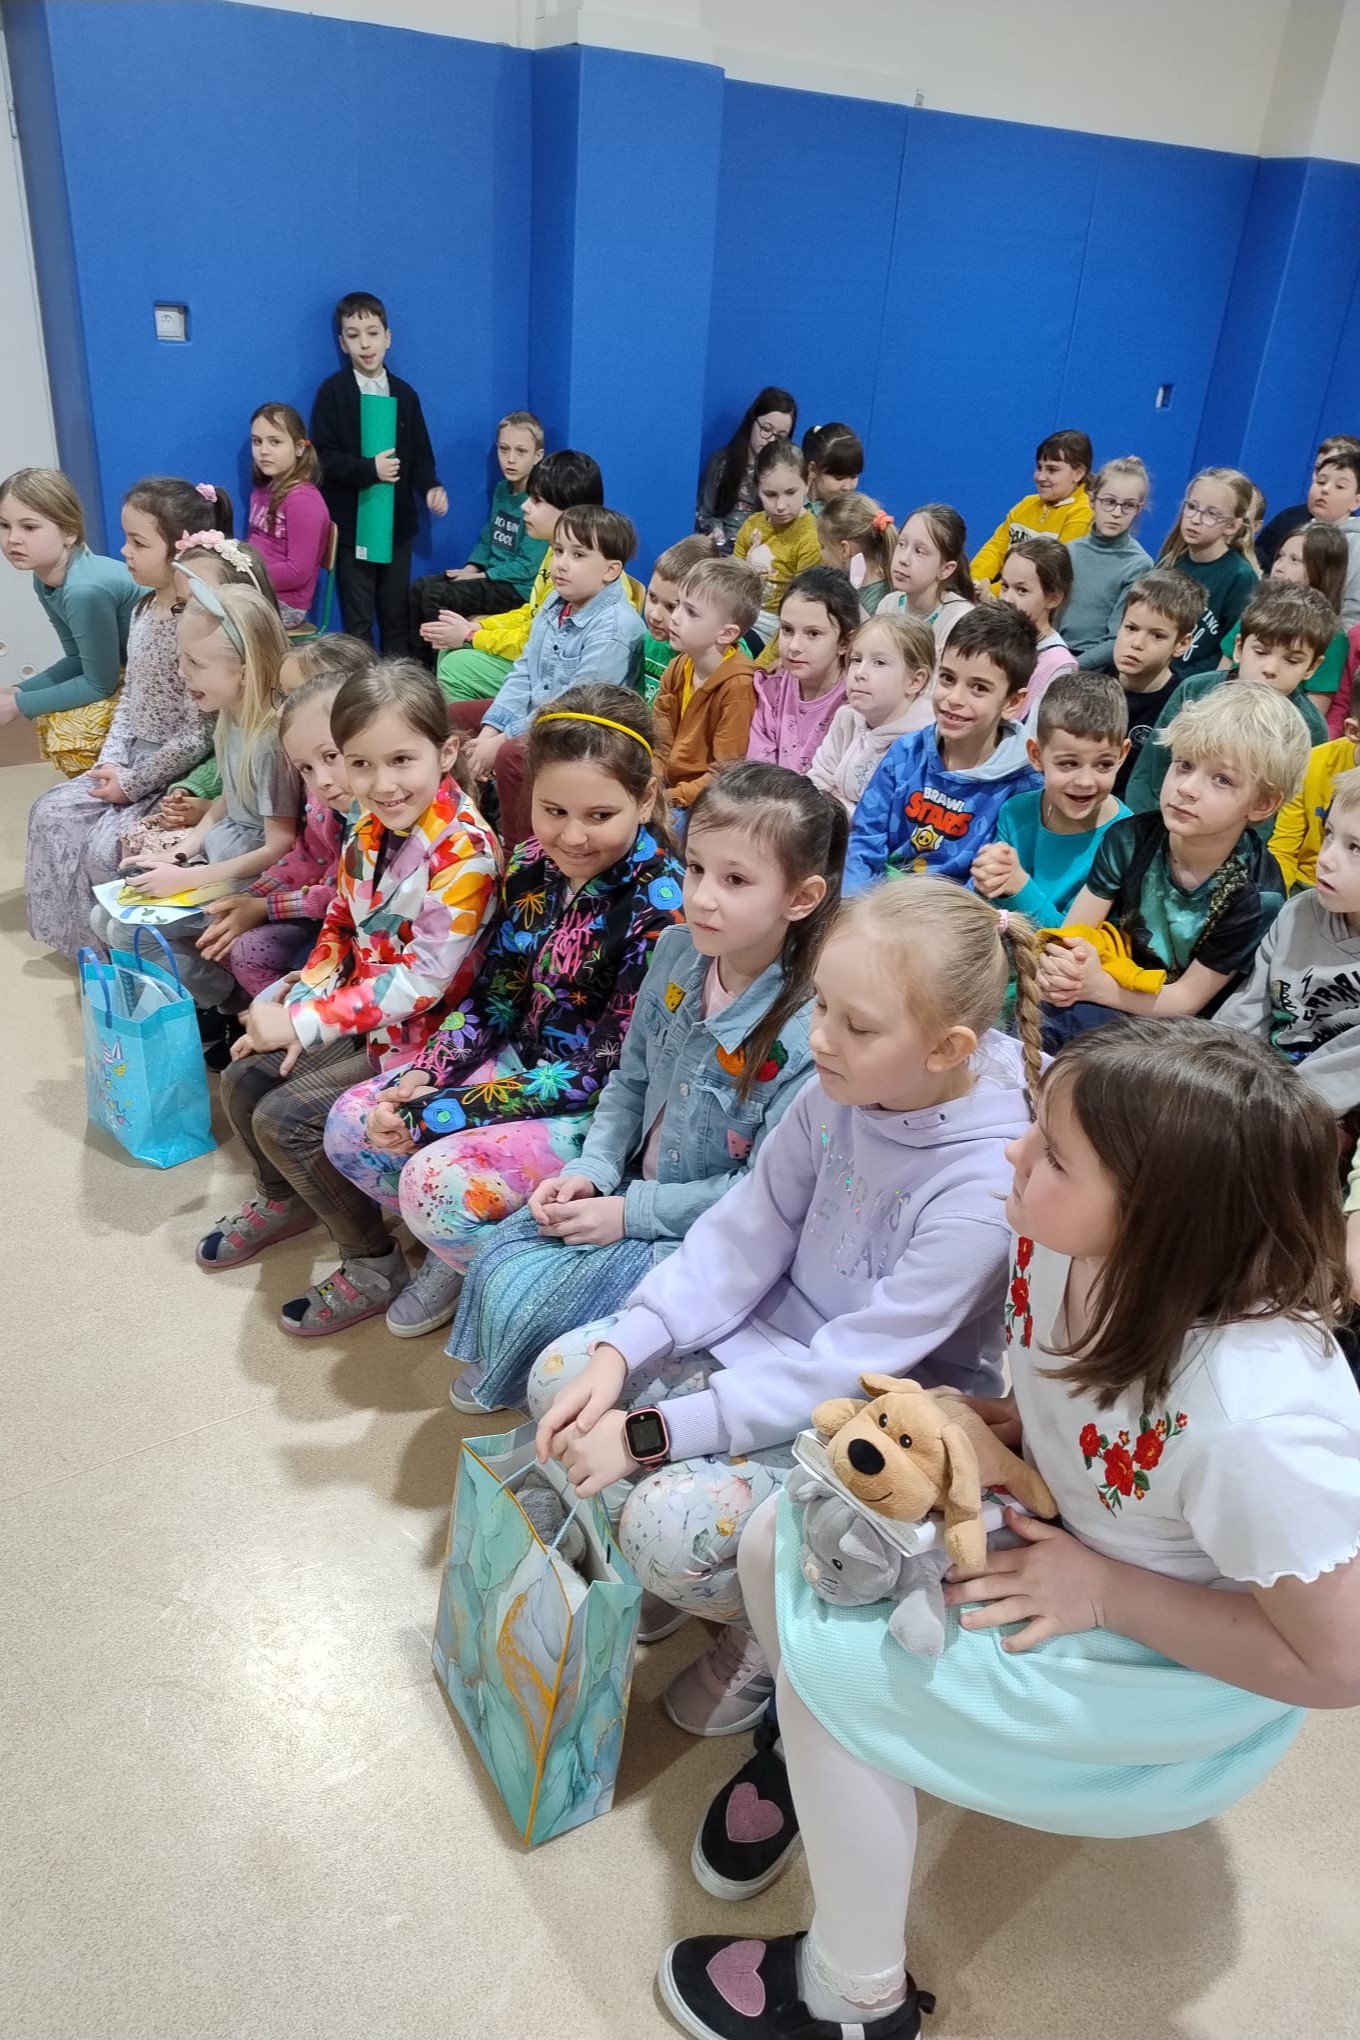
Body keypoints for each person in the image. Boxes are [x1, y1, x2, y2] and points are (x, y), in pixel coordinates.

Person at [664, 1020, 1360, 2040]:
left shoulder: (1257, 1419)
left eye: (1054, 1155)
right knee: (788, 1536)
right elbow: (1085, 1409)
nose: (1013, 1152)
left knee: (840, 1658)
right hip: (1066, 1544)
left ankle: (852, 1998)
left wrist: (1106, 1591)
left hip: (1162, 1656)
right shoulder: (1052, 1237)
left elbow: (1336, 1664)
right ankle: (830, 1750)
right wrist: (1016, 1433)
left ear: (1158, 1222)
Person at [533, 875, 1040, 1736]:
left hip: (874, 1413)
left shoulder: (986, 1180)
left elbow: (856, 1365)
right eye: (822, 1007)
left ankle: (767, 1636)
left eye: (856, 1025)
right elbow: (748, 1228)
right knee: (566, 1377)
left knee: (668, 1525)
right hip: (772, 1347)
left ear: (948, 1048)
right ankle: (684, 1570)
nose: (819, 1039)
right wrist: (628, 1347)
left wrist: (654, 1432)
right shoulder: (842, 1087)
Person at [444, 762, 841, 1417]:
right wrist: (592, 1170)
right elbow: (629, 1083)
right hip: (632, 1185)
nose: (703, 897)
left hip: (711, 1233)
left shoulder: (807, 1031)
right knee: (500, 1256)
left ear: (800, 898)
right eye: (696, 869)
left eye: (736, 880)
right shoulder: (679, 952)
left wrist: (629, 1214)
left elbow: (762, 1196)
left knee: (541, 1309)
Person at [319, 684, 684, 1338]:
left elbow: (602, 1070)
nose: (573, 835)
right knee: (352, 1124)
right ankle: (459, 1251)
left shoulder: (661, 906)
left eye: (600, 815)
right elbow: (495, 996)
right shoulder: (533, 864)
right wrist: (426, 1074)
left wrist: (441, 1112)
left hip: (595, 1109)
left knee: (432, 1182)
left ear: (646, 799)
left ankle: (532, 1301)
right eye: (553, 810)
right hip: (517, 1063)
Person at [199, 660, 499, 1308]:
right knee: (243, 1077)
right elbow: (340, 918)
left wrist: (306, 1022)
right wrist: (302, 996)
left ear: (445, 753)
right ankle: (286, 1198)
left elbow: (422, 983)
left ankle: (374, 1264)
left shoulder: (465, 852)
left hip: (435, 1041)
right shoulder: (368, 825)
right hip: (370, 1017)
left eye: (401, 760)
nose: (380, 783)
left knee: (286, 1119)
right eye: (361, 764)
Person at [24, 476, 233, 960]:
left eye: (138, 542)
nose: (124, 552)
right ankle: (85, 949)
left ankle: (122, 955)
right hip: (129, 761)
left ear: (180, 550)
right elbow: (130, 698)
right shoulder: (142, 610)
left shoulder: (192, 623)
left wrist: (132, 783)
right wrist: (111, 762)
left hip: (171, 772)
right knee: (51, 811)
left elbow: (199, 733)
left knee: (105, 848)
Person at [1037, 683, 1308, 1041]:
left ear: (1262, 804)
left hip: (1178, 1026)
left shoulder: (1257, 895)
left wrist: (1098, 988)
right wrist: (1063, 970)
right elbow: (1074, 933)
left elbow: (1187, 1000)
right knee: (1049, 1006)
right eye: (1184, 765)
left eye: (1222, 780)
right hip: (1109, 979)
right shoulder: (1129, 838)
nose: (1187, 788)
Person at [94, 582, 298, 1048]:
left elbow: (279, 844)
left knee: (127, 931)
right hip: (221, 859)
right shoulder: (231, 717)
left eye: (195, 663)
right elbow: (229, 797)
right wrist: (181, 855)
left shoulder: (269, 740)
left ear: (244, 671)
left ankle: (227, 1001)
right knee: (102, 919)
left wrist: (187, 879)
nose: (181, 672)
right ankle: (212, 1003)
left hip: (255, 876)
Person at [450, 505, 646, 850]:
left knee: (511, 755)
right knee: (454, 719)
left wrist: (500, 742)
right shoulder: (556, 600)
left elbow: (572, 708)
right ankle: (469, 824)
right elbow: (525, 671)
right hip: (542, 714)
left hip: (583, 729)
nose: (561, 564)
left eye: (578, 555)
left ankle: (521, 854)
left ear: (610, 570)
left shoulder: (615, 629)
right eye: (558, 551)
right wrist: (491, 730)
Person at [197, 636, 373, 998]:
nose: (280, 712)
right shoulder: (323, 785)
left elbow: (344, 893)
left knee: (257, 951)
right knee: (226, 927)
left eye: (296, 697)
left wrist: (264, 906)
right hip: (328, 908)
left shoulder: (375, 806)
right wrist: (253, 896)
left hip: (358, 928)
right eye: (283, 696)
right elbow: (307, 854)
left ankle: (285, 1019)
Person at [845, 604, 1041, 892]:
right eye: (948, 678)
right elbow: (865, 839)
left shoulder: (1024, 787)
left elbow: (989, 885)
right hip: (877, 900)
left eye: (979, 688)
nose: (954, 698)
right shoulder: (906, 752)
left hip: (954, 912)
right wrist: (855, 905)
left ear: (1013, 702)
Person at [310, 290, 447, 654]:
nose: (365, 344)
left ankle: (396, 685)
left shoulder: (405, 394)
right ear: (342, 343)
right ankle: (363, 686)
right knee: (358, 621)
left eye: (373, 333)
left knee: (395, 616)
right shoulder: (333, 392)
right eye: (353, 335)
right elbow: (323, 458)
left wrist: (430, 487)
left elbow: (420, 453)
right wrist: (369, 469)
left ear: (388, 337)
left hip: (396, 529)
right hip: (353, 528)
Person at [1124, 581, 1332, 816]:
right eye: (1260, 652)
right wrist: (1144, 824)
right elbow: (1150, 770)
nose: (1270, 669)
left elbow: (1289, 806)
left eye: (1292, 661)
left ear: (1312, 667)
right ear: (1240, 648)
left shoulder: (1310, 728)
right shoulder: (1195, 690)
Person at [1219, 765, 1360, 1109]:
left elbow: (1342, 1080)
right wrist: (1211, 1069)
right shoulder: (1300, 911)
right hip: (1257, 1080)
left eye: (1356, 848)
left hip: (1317, 1107)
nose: (1326, 859)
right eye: (1329, 834)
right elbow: (1246, 1012)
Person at [431, 448, 604, 702]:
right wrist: (478, 626)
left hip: (552, 677)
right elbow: (532, 613)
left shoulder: (576, 574)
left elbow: (537, 640)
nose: (524, 506)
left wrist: (472, 637)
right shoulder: (553, 552)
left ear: (569, 511)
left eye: (537, 500)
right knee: (448, 646)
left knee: (455, 667)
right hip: (534, 657)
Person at [0, 468, 138, 776]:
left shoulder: (83, 590)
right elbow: (78, 659)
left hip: (172, 680)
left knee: (71, 732)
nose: (12, 539)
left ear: (69, 532)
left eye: (29, 527)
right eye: (4, 525)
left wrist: (16, 706)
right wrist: (17, 691)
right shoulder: (45, 579)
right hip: (130, 672)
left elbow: (98, 683)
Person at [972, 670, 1130, 928]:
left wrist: (1019, 886)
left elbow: (1070, 938)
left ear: (1122, 755)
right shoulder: (1015, 811)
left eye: (1103, 765)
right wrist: (987, 878)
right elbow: (989, 907)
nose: (1085, 781)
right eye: (1069, 763)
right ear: (1036, 755)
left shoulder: (1124, 840)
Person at [409, 410, 545, 655]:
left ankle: (435, 667)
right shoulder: (502, 489)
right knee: (420, 587)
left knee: (436, 595)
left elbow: (527, 567)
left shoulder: (539, 500)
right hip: (490, 577)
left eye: (521, 451)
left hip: (517, 589)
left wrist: (480, 576)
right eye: (504, 449)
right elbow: (488, 537)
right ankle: (414, 664)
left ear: (537, 456)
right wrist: (471, 569)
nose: (510, 459)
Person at [652, 557, 762, 810]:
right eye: (678, 605)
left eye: (691, 612)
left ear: (727, 633)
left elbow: (724, 774)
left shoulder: (738, 687)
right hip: (668, 793)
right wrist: (649, 786)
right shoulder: (677, 667)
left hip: (706, 804)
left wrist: (667, 799)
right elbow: (661, 745)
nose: (675, 618)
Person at [808, 613, 935, 815]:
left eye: (879, 663)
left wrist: (840, 813)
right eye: (856, 660)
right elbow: (818, 783)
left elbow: (894, 816)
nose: (859, 673)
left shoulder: (923, 743)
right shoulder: (846, 719)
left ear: (915, 681)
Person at [1223, 518, 1349, 714]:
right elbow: (1220, 674)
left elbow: (1314, 710)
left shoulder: (1333, 638)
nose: (1279, 567)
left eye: (1294, 560)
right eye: (1280, 556)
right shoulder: (1257, 613)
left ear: (1323, 571)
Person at [746, 567, 858, 775]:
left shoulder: (857, 704)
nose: (794, 646)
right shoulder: (770, 692)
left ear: (844, 642)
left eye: (813, 634)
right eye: (787, 630)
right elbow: (759, 772)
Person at [1102, 569, 1204, 796]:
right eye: (1131, 628)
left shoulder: (1184, 710)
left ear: (1182, 644)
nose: (1137, 643)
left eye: (1157, 635)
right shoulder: (1092, 683)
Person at [1156, 467, 1258, 679]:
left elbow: (1230, 651)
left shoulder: (1240, 577)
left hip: (1192, 684)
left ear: (1232, 526)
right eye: (1192, 507)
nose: (1195, 519)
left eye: (1211, 514)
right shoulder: (1170, 561)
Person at [970, 429, 1093, 592]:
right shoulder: (1027, 504)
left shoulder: (1084, 513)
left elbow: (1049, 574)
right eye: (1039, 467)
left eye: (1052, 470)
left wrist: (992, 593)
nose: (1040, 477)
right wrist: (974, 582)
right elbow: (995, 549)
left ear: (1078, 473)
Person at [246, 403, 331, 625]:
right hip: (255, 589)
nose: (264, 451)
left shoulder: (303, 501)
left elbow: (297, 571)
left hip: (284, 603)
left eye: (275, 442)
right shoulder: (262, 490)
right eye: (257, 441)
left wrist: (247, 576)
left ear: (299, 447)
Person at [733, 439, 822, 649]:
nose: (781, 506)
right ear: (757, 489)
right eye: (770, 495)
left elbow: (801, 613)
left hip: (778, 628)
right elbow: (731, 587)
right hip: (741, 616)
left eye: (790, 493)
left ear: (808, 481)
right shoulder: (752, 525)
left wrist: (765, 662)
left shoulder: (812, 536)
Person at [1067, 456, 1154, 669]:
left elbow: (1119, 636)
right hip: (1055, 652)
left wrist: (1071, 667)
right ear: (1092, 500)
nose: (1116, 513)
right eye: (1109, 502)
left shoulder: (1138, 564)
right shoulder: (1070, 550)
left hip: (1094, 665)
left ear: (1139, 509)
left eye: (1128, 506)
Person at [696, 386, 798, 551]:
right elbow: (704, 513)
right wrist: (715, 530)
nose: (770, 440)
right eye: (766, 430)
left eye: (780, 436)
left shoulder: (788, 474)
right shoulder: (722, 463)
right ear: (752, 421)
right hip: (724, 549)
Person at [1268, 718, 1359, 891]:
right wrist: (1278, 898)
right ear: (1354, 731)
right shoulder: (1313, 763)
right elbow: (1284, 849)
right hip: (1307, 884)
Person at [877, 502, 974, 656]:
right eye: (901, 544)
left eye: (919, 551)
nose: (903, 559)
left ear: (946, 569)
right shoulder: (888, 604)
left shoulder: (959, 621)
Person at [995, 535, 1076, 720]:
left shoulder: (1058, 665)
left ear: (1054, 598)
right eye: (1005, 586)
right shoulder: (992, 638)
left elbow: (1036, 732)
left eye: (1022, 590)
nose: (1007, 599)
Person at [1256, 433, 1360, 575]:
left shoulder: (1354, 545)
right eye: (1321, 478)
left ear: (1356, 500)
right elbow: (1259, 560)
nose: (1325, 489)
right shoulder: (1289, 519)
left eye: (1340, 485)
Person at [639, 534, 718, 703]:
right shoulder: (646, 641)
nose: (654, 615)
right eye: (652, 597)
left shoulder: (718, 658)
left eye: (671, 607)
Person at [816, 494, 896, 616]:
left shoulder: (876, 606)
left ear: (845, 549)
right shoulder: (881, 588)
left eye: (823, 546)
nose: (820, 553)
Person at [802, 423, 863, 511]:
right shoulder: (790, 504)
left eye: (854, 476)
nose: (847, 487)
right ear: (813, 469)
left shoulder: (853, 514)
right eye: (839, 478)